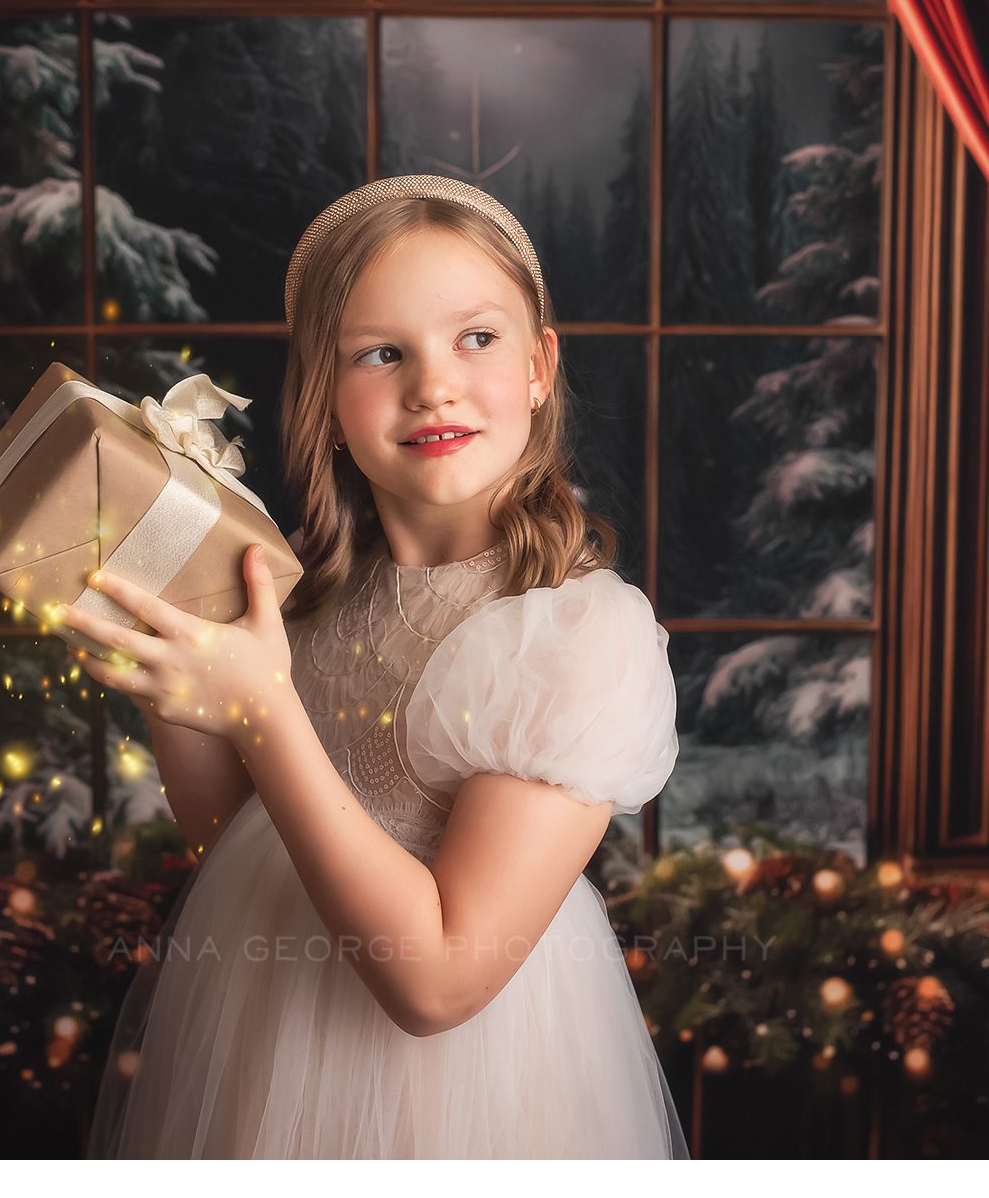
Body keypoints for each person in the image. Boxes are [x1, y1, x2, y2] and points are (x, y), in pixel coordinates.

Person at [73, 175, 687, 1158]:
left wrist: (262, 707)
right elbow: (243, 841)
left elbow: (436, 983)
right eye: (381, 353)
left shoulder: (575, 637)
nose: (432, 384)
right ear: (325, 390)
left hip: (461, 1095)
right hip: (266, 1040)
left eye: (475, 339)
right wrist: (175, 655)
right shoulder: (308, 596)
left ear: (539, 365)